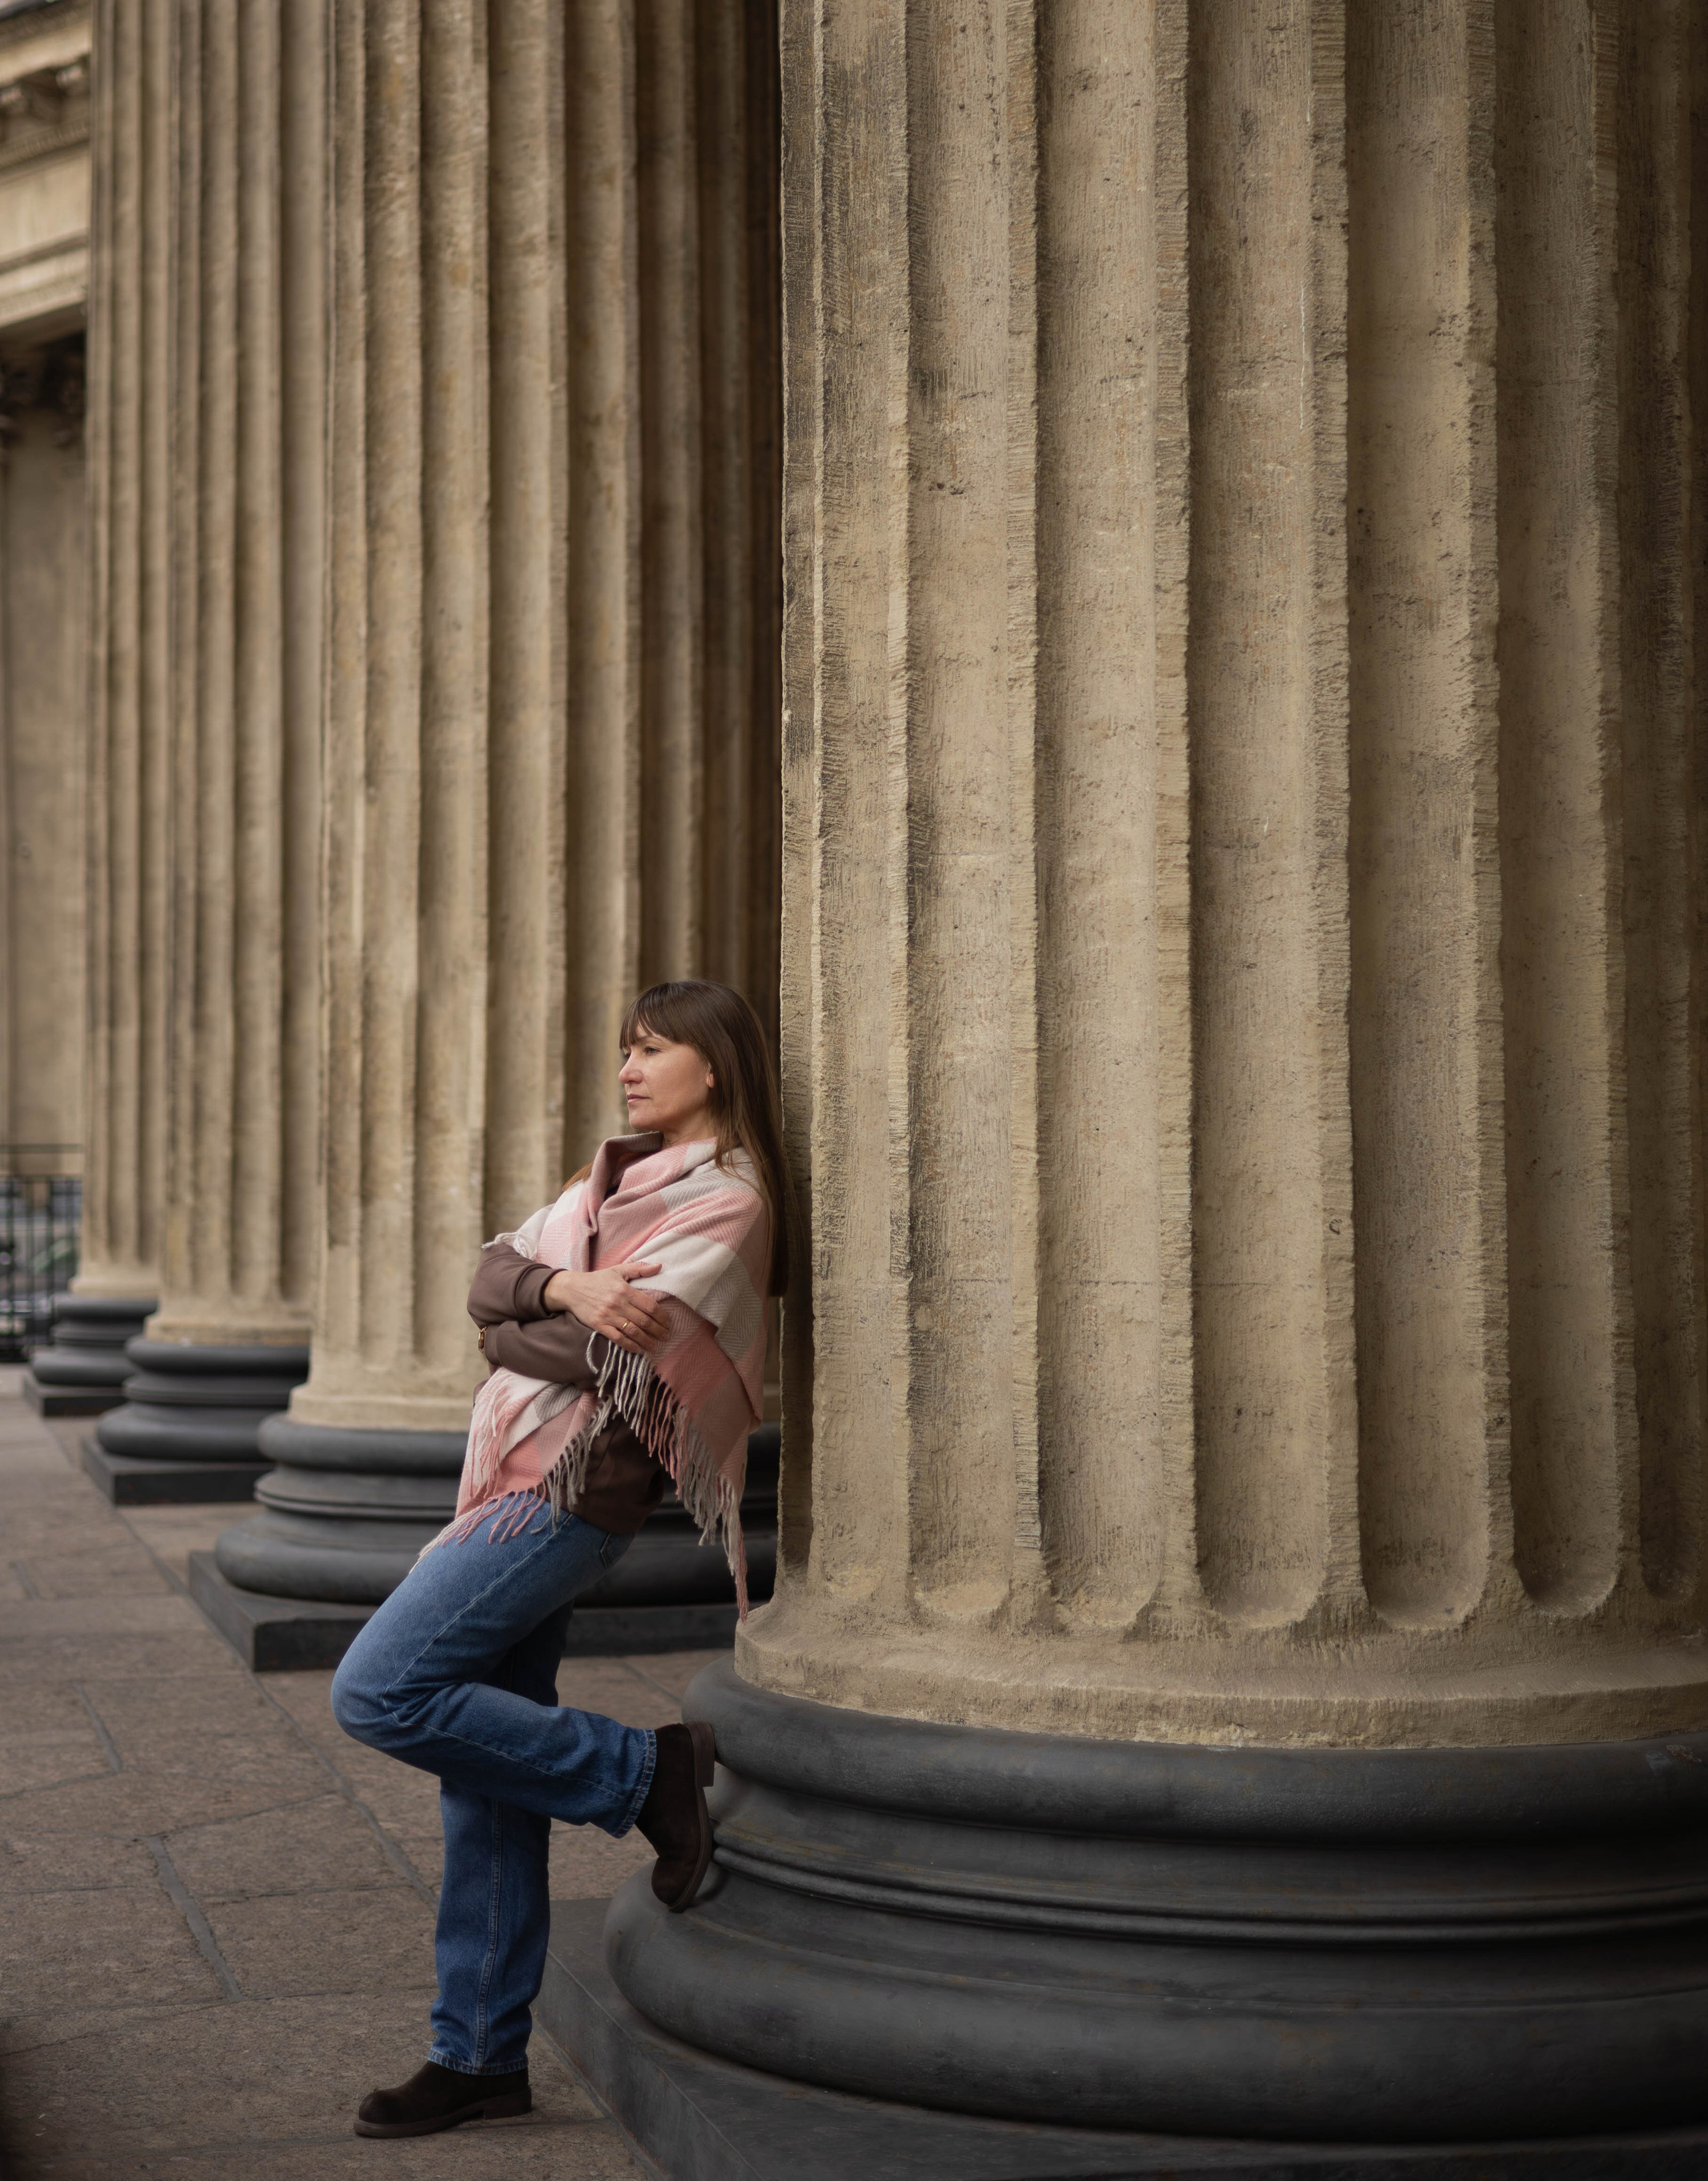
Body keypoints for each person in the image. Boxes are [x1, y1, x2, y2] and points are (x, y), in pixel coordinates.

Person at [329, 979, 787, 2140]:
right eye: (625, 1049)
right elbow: (492, 1291)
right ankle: (478, 2052)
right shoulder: (608, 1184)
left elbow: (619, 1356)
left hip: (570, 1493)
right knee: (486, 1774)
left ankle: (644, 1775)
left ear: (716, 1068)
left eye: (653, 1050)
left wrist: (547, 1315)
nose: (628, 1069)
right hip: (509, 1481)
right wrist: (564, 1287)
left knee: (381, 1689)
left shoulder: (729, 1204)